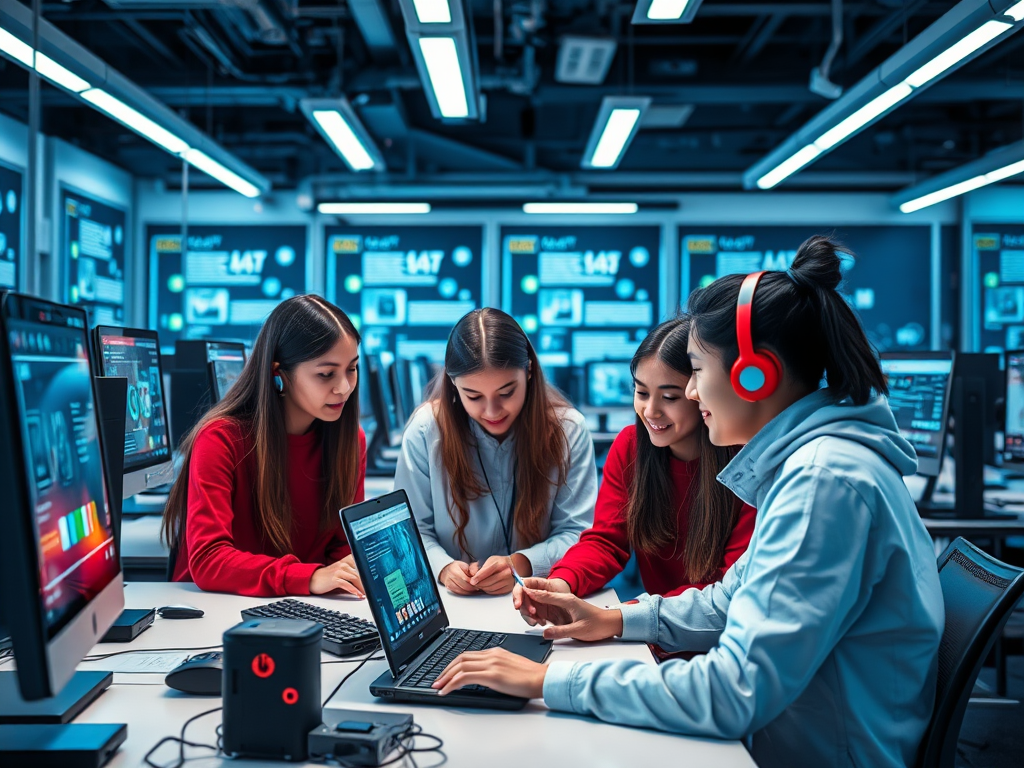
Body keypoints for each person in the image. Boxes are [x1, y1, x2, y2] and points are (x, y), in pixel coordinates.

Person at [432, 236, 944, 768]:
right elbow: (730, 601)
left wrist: (549, 679)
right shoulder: (811, 467)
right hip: (789, 733)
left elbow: (733, 693)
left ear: (754, 374)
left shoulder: (823, 482)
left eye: (695, 372)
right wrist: (614, 620)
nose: (693, 395)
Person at [515, 316, 756, 623]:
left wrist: (619, 618)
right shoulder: (630, 447)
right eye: (642, 393)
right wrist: (560, 585)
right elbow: (606, 542)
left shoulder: (744, 464)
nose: (650, 410)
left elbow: (726, 594)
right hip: (654, 629)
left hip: (715, 634)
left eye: (669, 397)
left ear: (701, 393)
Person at [163, 294, 367, 598]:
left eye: (351, 369)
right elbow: (208, 560)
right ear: (278, 372)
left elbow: (340, 547)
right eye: (326, 374)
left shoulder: (350, 441)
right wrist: (309, 577)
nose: (344, 387)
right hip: (212, 609)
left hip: (296, 604)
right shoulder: (221, 439)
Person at [394, 307, 597, 595]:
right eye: (473, 396)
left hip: (538, 596)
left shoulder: (569, 430)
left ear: (528, 370)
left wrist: (521, 564)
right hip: (453, 602)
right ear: (453, 385)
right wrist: (443, 568)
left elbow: (578, 533)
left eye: (506, 393)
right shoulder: (426, 430)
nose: (492, 411)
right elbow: (410, 531)